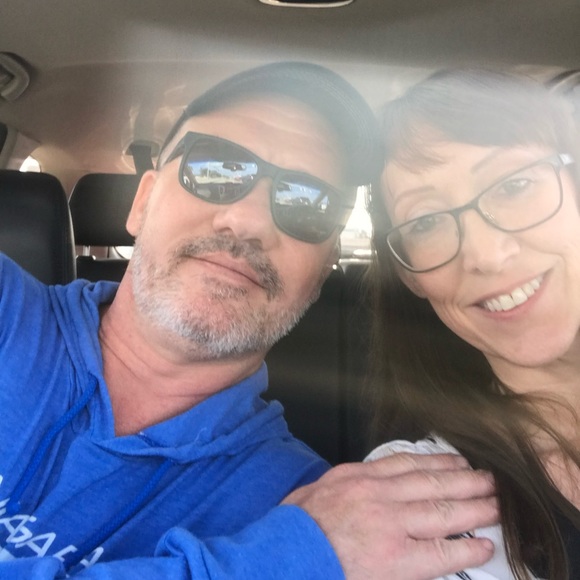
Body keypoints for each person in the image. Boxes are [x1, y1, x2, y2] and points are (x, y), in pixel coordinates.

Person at [0, 61, 497, 579]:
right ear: (142, 201)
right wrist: (284, 560)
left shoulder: (322, 510)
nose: (249, 221)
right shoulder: (315, 548)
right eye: (216, 168)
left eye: (308, 202)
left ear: (324, 268)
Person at [366, 67, 580, 579]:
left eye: (515, 185)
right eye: (425, 222)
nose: (486, 255)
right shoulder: (414, 502)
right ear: (409, 275)